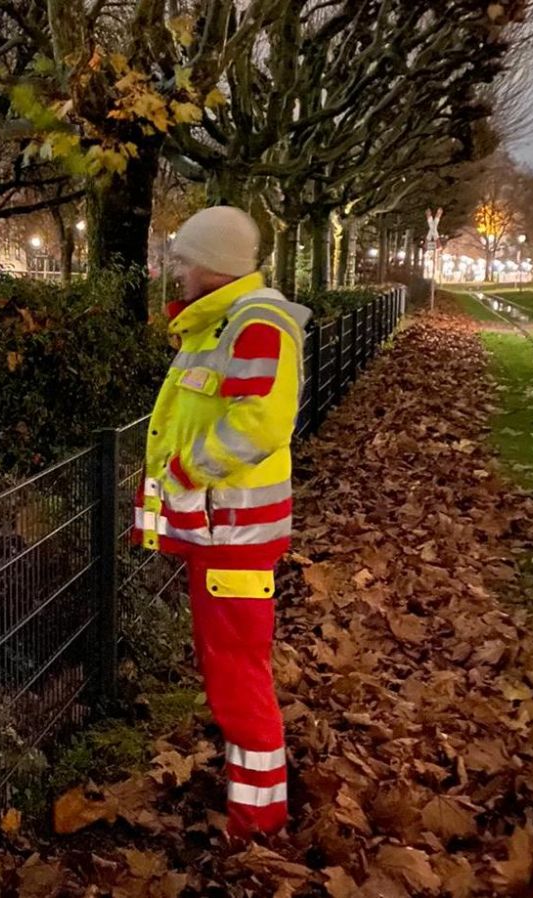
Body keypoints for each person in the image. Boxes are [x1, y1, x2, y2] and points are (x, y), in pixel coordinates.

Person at [133, 206, 311, 839]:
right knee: (230, 668)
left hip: (233, 536)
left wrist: (184, 474)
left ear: (213, 264)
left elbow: (259, 424)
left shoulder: (254, 324)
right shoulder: (227, 323)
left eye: (184, 259)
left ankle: (257, 828)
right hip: (223, 536)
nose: (176, 270)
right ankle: (256, 809)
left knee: (238, 676)